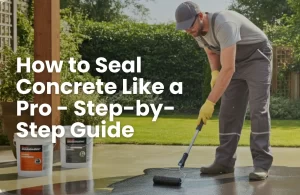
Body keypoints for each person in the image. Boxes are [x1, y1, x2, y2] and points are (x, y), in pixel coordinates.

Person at [175, 1, 273, 180]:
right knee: (229, 111)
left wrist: (209, 102)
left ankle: (261, 164)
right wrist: (214, 72)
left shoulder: (224, 24)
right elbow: (212, 52)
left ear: (201, 16)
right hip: (234, 60)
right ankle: (224, 162)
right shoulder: (196, 31)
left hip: (257, 57)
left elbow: (228, 69)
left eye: (189, 25)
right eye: (184, 28)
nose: (188, 30)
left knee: (258, 108)